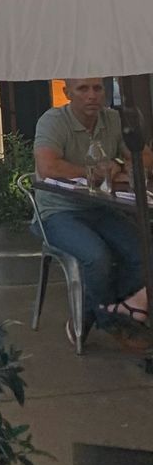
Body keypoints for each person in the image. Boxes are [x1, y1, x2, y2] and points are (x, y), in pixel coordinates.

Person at [34, 78, 152, 343]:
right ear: (67, 93)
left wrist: (118, 163)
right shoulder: (53, 121)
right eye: (83, 89)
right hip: (58, 210)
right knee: (96, 257)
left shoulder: (113, 119)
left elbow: (146, 157)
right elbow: (48, 167)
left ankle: (100, 313)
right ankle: (114, 323)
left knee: (144, 252)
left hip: (102, 207)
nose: (92, 96)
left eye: (97, 89)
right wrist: (95, 172)